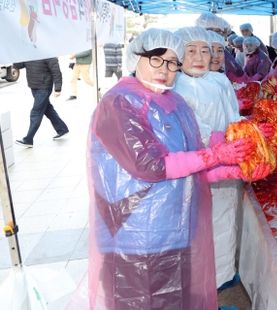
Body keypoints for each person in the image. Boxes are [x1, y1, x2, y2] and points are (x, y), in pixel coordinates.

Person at [87, 28, 263, 309]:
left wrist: (226, 171)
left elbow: (187, 164)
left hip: (176, 229)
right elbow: (152, 165)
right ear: (135, 58)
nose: (164, 69)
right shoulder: (119, 104)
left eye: (171, 62)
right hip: (135, 236)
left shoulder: (173, 102)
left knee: (175, 299)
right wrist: (215, 155)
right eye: (156, 59)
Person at [173, 26, 256, 291]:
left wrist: (249, 128)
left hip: (230, 163)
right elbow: (193, 132)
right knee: (202, 226)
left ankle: (224, 276)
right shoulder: (176, 86)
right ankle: (204, 286)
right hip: (201, 167)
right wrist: (221, 143)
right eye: (191, 50)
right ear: (178, 54)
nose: (199, 57)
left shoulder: (218, 81)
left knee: (226, 219)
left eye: (205, 51)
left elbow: (232, 115)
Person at [14, 58, 69, 147]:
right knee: (48, 109)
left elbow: (56, 72)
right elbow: (18, 65)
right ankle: (62, 129)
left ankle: (28, 140)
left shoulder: (48, 54)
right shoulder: (29, 53)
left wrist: (58, 88)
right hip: (33, 86)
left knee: (36, 112)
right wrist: (16, 55)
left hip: (44, 87)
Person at [195, 13, 245, 82]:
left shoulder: (222, 51)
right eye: (210, 30)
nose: (214, 34)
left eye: (218, 31)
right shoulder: (192, 54)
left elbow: (237, 71)